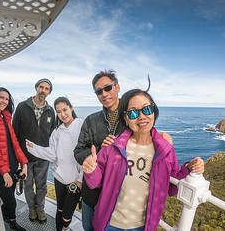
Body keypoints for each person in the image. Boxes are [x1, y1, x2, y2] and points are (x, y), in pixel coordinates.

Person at [82, 88, 205, 231]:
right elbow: (96, 182)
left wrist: (189, 168)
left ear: (154, 111)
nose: (141, 117)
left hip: (142, 226)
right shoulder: (113, 147)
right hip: (109, 224)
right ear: (126, 118)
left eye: (146, 109)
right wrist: (90, 170)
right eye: (133, 113)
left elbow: (172, 187)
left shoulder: (165, 150)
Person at [74, 70, 172, 231]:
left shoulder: (132, 116)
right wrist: (100, 151)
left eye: (108, 88)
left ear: (117, 87)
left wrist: (162, 139)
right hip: (92, 195)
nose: (104, 94)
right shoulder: (91, 121)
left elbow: (146, 135)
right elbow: (78, 151)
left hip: (119, 200)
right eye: (99, 91)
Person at [25, 97, 83, 231]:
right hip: (59, 178)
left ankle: (64, 227)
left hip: (75, 180)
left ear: (71, 108)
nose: (63, 114)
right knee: (60, 209)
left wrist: (81, 179)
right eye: (59, 112)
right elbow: (51, 154)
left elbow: (87, 155)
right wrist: (33, 147)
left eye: (65, 110)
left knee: (67, 215)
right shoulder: (57, 131)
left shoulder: (82, 125)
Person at [12, 78, 55, 223]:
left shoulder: (50, 111)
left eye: (46, 88)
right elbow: (15, 133)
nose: (43, 90)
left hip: (43, 158)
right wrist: (18, 157)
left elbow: (52, 134)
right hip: (25, 157)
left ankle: (40, 209)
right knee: (28, 185)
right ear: (36, 88)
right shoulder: (22, 107)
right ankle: (32, 209)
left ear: (49, 92)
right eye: (41, 87)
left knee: (42, 186)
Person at [0, 87, 28, 231]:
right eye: (1, 97)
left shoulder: (6, 117)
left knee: (10, 196)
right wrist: (4, 172)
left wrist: (23, 163)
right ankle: (12, 224)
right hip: (2, 169)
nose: (4, 101)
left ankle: (4, 214)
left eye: (6, 99)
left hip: (13, 165)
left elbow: (15, 143)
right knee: (11, 202)